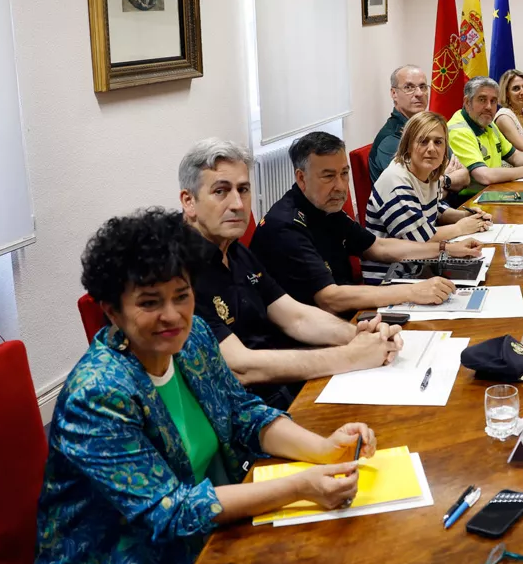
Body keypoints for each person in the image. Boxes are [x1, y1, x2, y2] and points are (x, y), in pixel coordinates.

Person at [34, 209, 386, 564]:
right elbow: (169, 511)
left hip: (210, 530)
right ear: (112, 310)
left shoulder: (194, 336)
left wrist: (324, 448)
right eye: (150, 303)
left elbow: (243, 414)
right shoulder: (97, 395)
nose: (172, 316)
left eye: (181, 295)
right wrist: (301, 487)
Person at [179, 139, 405, 410]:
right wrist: (351, 355)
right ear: (188, 201)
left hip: (283, 389)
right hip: (246, 414)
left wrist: (359, 335)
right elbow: (241, 367)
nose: (238, 204)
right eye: (221, 191)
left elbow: (295, 317)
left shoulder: (236, 251)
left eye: (244, 189)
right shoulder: (178, 273)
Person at [250, 131, 483, 315]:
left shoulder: (325, 207)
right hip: (310, 335)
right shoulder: (286, 227)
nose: (341, 186)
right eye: (329, 176)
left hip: (345, 313)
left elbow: (378, 247)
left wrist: (446, 249)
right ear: (301, 178)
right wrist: (412, 291)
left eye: (344, 173)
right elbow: (330, 299)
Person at [363, 111, 495, 283]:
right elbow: (421, 238)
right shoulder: (395, 180)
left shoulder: (427, 172)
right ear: (408, 146)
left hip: (422, 267)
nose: (431, 148)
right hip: (391, 279)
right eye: (423, 141)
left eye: (438, 142)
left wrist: (465, 216)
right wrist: (461, 228)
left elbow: (432, 208)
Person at [447, 76, 523, 197]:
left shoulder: (489, 124)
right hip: (469, 201)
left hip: (493, 193)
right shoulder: (458, 130)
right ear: (467, 102)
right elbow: (484, 176)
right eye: (482, 99)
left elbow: (515, 156)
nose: (488, 107)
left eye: (493, 101)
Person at [370, 65, 469, 190]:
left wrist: (441, 181)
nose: (419, 93)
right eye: (409, 87)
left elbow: (464, 175)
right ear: (394, 93)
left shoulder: (431, 128)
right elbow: (417, 191)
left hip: (445, 205)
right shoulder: (391, 140)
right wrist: (446, 181)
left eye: (423, 87)